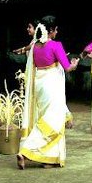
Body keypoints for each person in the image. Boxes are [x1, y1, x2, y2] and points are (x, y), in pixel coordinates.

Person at [17, 16, 79, 169]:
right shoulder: (56, 45)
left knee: (44, 117)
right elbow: (67, 68)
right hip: (52, 83)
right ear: (51, 30)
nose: (57, 32)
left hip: (39, 83)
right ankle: (25, 151)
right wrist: (74, 64)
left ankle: (49, 158)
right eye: (56, 30)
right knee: (53, 120)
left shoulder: (34, 47)